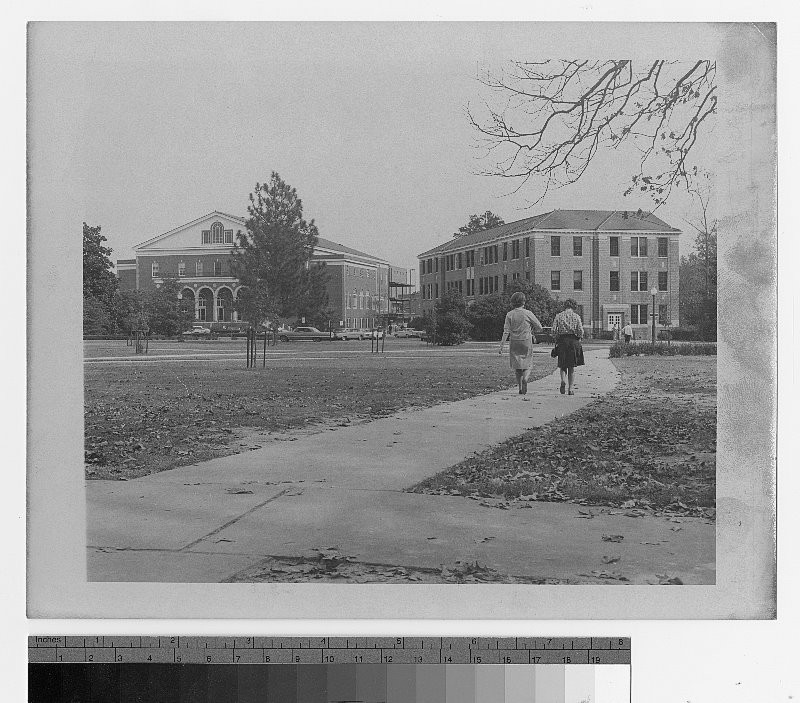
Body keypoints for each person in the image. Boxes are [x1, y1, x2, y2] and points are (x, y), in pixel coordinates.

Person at [498, 292, 543, 395]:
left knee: (517, 366)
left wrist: (501, 346)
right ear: (523, 301)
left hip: (514, 341)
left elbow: (506, 331)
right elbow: (539, 326)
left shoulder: (509, 314)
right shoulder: (528, 313)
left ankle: (520, 388)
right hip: (526, 340)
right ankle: (525, 379)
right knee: (528, 364)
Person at [551, 299, 585, 395]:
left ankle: (563, 380)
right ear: (573, 306)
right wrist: (578, 337)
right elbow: (581, 331)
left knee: (562, 365)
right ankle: (570, 389)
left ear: (564, 306)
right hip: (573, 341)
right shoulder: (576, 316)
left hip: (562, 341)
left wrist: (557, 337)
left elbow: (553, 331)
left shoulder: (559, 316)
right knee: (571, 367)